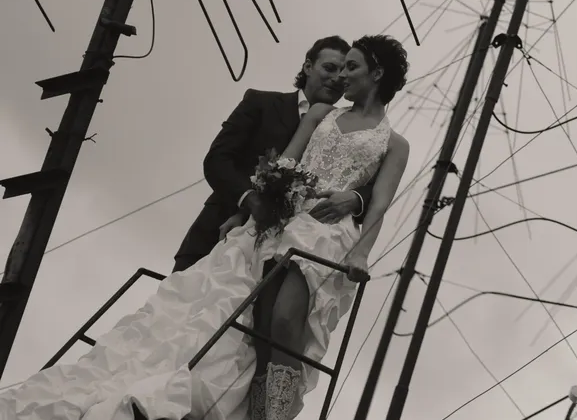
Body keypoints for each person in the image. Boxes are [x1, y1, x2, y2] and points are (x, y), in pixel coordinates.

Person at [0, 35, 412, 420]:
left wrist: (361, 244)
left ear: (376, 73)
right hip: (268, 223)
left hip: (324, 232)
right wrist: (252, 206)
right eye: (334, 67)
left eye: (351, 68)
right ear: (308, 67)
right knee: (223, 318)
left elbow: (378, 198)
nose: (341, 77)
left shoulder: (394, 143)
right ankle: (173, 390)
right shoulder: (308, 112)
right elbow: (269, 164)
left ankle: (272, 413)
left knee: (284, 320)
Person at [173, 36, 376, 273]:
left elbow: (372, 179)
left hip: (287, 254)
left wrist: (356, 198)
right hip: (218, 232)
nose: (336, 78)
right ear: (308, 66)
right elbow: (218, 160)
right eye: (329, 68)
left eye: (343, 72)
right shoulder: (261, 103)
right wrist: (250, 201)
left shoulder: (349, 131)